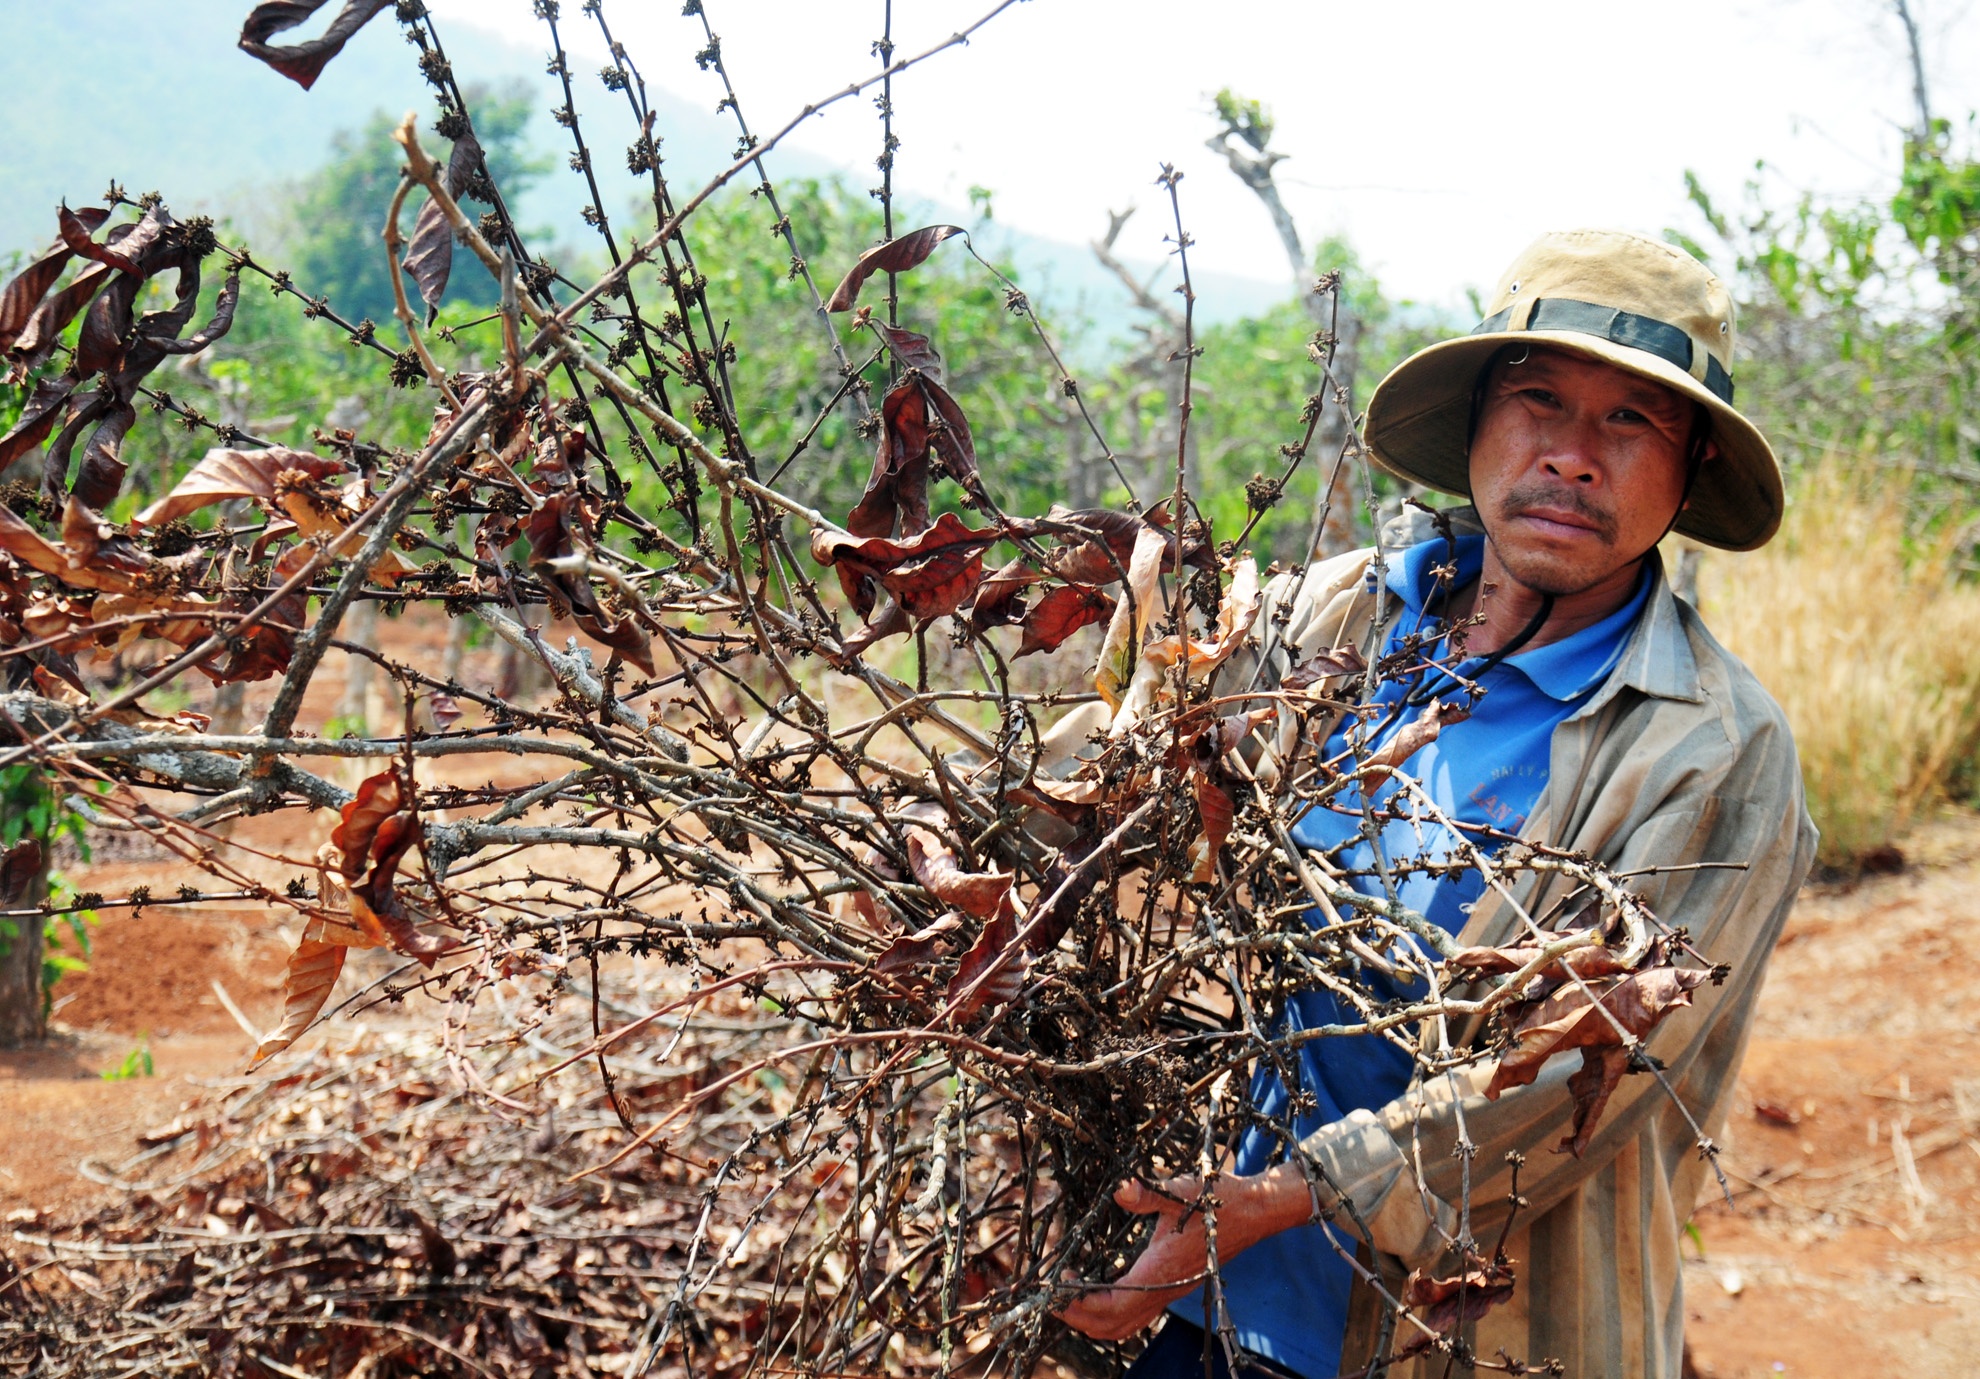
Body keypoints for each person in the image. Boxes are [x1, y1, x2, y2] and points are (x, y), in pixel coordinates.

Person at [1056, 228, 1818, 1379]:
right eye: (1540, 399)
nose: (1571, 455)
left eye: (1631, 420)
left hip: (1477, 1335)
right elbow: (1121, 785)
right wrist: (986, 837)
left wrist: (1284, 1194)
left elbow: (1577, 1079)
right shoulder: (1336, 617)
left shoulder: (1712, 750)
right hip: (1210, 1301)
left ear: (1692, 464)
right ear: (1474, 419)